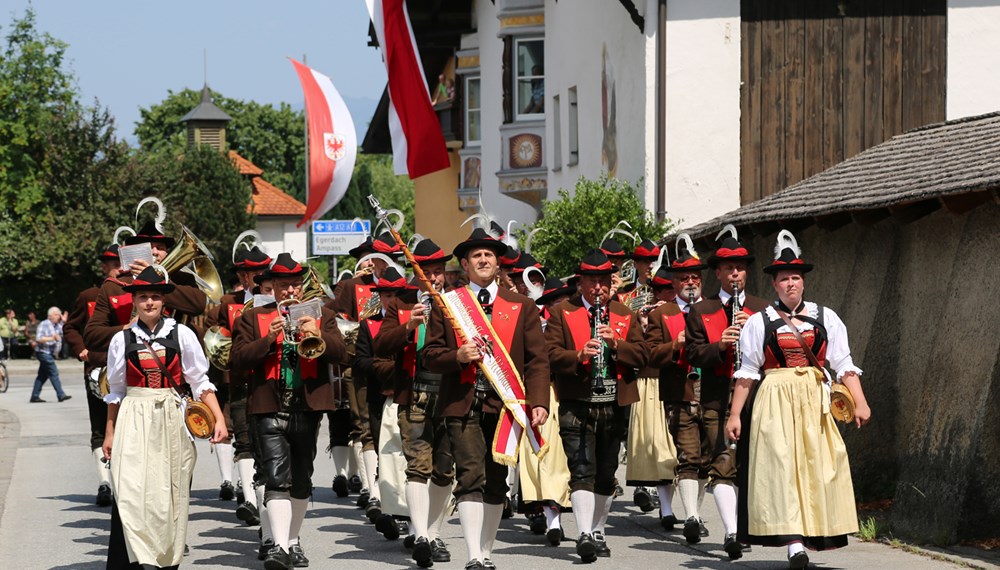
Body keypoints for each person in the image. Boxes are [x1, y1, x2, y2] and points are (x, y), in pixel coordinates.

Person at [725, 230, 871, 570]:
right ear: (774, 285)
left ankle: (812, 531)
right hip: (774, 401)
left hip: (815, 402)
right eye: (783, 279)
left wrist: (861, 403)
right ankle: (794, 544)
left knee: (818, 467)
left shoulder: (826, 317)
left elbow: (844, 365)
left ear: (803, 282)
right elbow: (747, 372)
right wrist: (735, 415)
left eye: (795, 278)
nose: (790, 284)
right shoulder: (760, 322)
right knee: (780, 469)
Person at [423, 227, 550, 570]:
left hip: (507, 406)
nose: (483, 260)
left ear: (498, 264)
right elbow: (430, 355)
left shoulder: (521, 306)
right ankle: (474, 557)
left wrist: (539, 402)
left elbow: (537, 360)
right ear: (465, 265)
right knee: (469, 478)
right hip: (464, 403)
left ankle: (487, 552)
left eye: (489, 255)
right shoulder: (449, 304)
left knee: (496, 485)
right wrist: (457, 356)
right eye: (476, 255)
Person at [102, 266, 227, 570]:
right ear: (134, 301)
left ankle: (166, 556)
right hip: (134, 416)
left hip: (171, 416)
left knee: (169, 490)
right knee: (131, 488)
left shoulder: (181, 334)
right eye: (143, 297)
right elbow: (116, 390)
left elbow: (200, 381)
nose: (148, 303)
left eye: (154, 297)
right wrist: (110, 432)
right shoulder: (122, 339)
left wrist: (219, 419)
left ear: (163, 301)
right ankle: (141, 556)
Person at [230, 253, 348, 570]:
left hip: (306, 406)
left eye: (295, 285)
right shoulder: (253, 317)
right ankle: (279, 547)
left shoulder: (322, 314)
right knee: (275, 477)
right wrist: (269, 338)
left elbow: (343, 354)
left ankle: (292, 541)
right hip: (268, 406)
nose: (290, 292)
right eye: (283, 286)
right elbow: (237, 360)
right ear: (272, 287)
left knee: (301, 480)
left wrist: (318, 333)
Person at [544, 249, 646, 563]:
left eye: (604, 280)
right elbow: (549, 355)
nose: (598, 287)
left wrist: (616, 345)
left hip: (614, 402)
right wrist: (579, 356)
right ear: (582, 283)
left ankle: (598, 529)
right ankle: (585, 533)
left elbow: (643, 355)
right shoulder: (563, 312)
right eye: (592, 281)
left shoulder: (624, 314)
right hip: (577, 401)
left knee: (606, 471)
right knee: (581, 469)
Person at [374, 238, 455, 567]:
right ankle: (421, 535)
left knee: (445, 471)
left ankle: (435, 533)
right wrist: (409, 326)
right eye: (427, 273)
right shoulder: (402, 302)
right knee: (417, 467)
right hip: (415, 394)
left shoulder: (459, 300)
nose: (434, 278)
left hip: (452, 395)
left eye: (438, 272)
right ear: (415, 275)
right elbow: (381, 343)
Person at [207, 244, 272, 522]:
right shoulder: (228, 303)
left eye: (257, 272)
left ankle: (266, 499)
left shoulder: (276, 299)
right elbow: (218, 336)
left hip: (269, 379)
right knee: (243, 440)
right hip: (239, 377)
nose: (251, 278)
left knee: (266, 444)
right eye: (246, 273)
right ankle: (248, 499)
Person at [63, 243, 123, 506]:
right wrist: (81, 350)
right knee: (100, 426)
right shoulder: (88, 295)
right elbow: (71, 327)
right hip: (98, 366)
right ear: (104, 267)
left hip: (129, 368)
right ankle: (105, 482)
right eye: (114, 264)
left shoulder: (136, 293)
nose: (120, 268)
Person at [518, 276, 576, 545]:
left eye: (564, 300)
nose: (561, 306)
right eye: (555, 302)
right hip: (541, 394)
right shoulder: (536, 326)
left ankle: (559, 520)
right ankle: (547, 517)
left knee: (560, 459)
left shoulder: (577, 323)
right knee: (539, 456)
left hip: (570, 393)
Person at [30, 306, 70, 403]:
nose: (58, 316)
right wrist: (51, 338)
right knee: (53, 372)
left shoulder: (57, 325)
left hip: (50, 354)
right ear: (50, 315)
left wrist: (65, 321)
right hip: (43, 352)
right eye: (56, 314)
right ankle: (61, 394)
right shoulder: (44, 324)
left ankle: (34, 396)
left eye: (59, 315)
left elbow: (65, 331)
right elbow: (38, 338)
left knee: (42, 375)